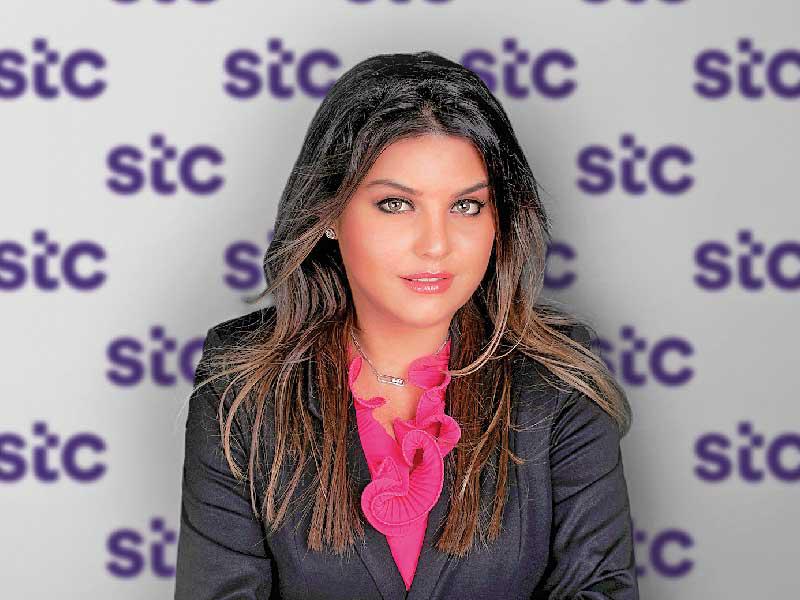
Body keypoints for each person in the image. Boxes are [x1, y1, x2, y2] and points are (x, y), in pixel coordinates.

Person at [174, 50, 639, 600]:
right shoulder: (242, 383)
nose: (436, 245)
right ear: (328, 212)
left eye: (466, 207)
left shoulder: (559, 381)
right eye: (396, 204)